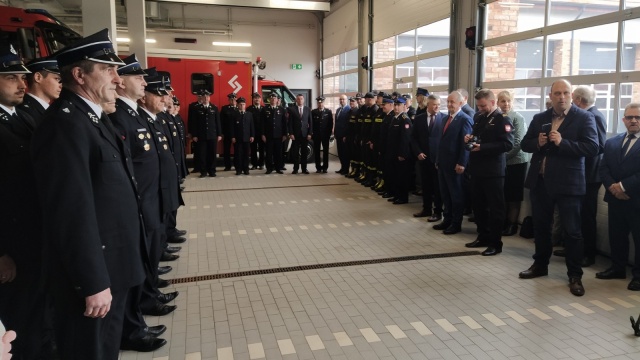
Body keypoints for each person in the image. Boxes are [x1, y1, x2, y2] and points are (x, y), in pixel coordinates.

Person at [31, 29, 147, 359]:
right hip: (94, 277)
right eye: (107, 70)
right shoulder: (65, 126)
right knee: (89, 350)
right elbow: (70, 212)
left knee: (105, 348)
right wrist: (92, 282)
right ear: (79, 75)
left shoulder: (91, 119)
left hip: (113, 267)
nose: (117, 78)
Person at [110, 57, 173, 352]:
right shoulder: (120, 117)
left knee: (143, 261)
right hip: (138, 204)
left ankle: (138, 318)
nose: (145, 82)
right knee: (132, 270)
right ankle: (133, 327)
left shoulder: (133, 115)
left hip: (148, 200)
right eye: (139, 78)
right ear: (122, 81)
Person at [518, 79, 598, 297]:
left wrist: (563, 143)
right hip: (541, 182)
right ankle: (540, 265)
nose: (561, 97)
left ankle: (575, 275)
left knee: (572, 232)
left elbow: (592, 147)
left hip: (569, 184)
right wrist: (539, 143)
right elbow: (525, 144)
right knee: (541, 227)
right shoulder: (539, 118)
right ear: (550, 95)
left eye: (565, 93)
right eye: (557, 93)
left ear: (571, 95)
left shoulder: (584, 117)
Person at [0, 41, 53, 360]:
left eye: (22, 77)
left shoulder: (18, 117)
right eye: (10, 77)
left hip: (32, 239)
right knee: (19, 319)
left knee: (37, 312)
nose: (22, 83)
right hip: (12, 247)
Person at [463, 89, 514, 256]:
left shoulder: (502, 120)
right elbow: (478, 137)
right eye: (478, 105)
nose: (480, 108)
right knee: (478, 207)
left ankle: (495, 243)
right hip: (477, 170)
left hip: (493, 172)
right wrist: (470, 139)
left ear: (493, 102)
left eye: (483, 105)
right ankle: (482, 236)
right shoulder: (479, 117)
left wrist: (483, 147)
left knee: (495, 209)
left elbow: (507, 145)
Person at [596, 103, 640, 290]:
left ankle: (638, 276)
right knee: (617, 235)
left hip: (637, 199)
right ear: (623, 120)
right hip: (615, 199)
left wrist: (622, 186)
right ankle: (617, 268)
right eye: (629, 117)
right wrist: (613, 188)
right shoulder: (612, 142)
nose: (633, 121)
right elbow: (603, 167)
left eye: (637, 117)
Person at [571, 85, 606, 267]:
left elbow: (599, 146)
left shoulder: (594, 116)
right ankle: (577, 248)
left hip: (591, 175)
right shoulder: (590, 114)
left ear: (577, 100)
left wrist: (575, 147)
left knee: (587, 215)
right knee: (578, 214)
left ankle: (588, 253)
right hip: (583, 173)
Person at [433, 91, 473, 235]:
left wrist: (462, 162)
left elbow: (465, 145)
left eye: (452, 102)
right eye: (448, 102)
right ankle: (447, 220)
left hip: (455, 165)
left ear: (461, 103)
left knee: (456, 195)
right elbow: (441, 142)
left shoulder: (465, 119)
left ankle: (456, 223)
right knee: (445, 194)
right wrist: (438, 159)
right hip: (443, 164)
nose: (449, 104)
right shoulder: (445, 118)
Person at [496, 91, 529, 236]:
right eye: (503, 101)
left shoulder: (517, 118)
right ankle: (503, 222)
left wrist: (503, 158)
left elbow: (518, 143)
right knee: (503, 194)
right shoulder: (497, 118)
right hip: (503, 162)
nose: (506, 104)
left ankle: (512, 224)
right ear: (497, 103)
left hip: (516, 161)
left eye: (508, 101)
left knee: (514, 195)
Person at [412, 94, 445, 221]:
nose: (437, 107)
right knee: (426, 185)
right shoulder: (419, 119)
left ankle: (437, 211)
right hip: (423, 158)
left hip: (437, 159)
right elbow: (413, 138)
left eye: (438, 105)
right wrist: (418, 152)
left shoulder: (443, 118)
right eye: (434, 104)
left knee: (437, 187)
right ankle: (426, 209)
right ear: (429, 105)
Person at [385, 97, 413, 204]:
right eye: (395, 105)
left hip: (401, 154)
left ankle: (403, 197)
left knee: (402, 176)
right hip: (393, 152)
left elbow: (406, 139)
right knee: (395, 175)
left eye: (399, 105)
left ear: (404, 106)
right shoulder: (395, 118)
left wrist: (403, 154)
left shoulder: (405, 119)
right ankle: (396, 195)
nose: (396, 107)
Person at [188, 90, 221, 178]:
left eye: (207, 97)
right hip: (201, 135)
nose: (206, 98)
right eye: (204, 97)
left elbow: (217, 122)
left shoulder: (214, 108)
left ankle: (212, 171)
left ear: (209, 98)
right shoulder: (196, 108)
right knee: (202, 154)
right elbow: (194, 123)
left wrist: (219, 134)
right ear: (201, 98)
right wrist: (194, 135)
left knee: (212, 154)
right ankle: (203, 171)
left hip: (212, 135)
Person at [19, 56, 61, 124]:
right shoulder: (25, 112)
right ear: (38, 77)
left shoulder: (49, 109)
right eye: (57, 79)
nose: (61, 85)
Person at [262, 93, 287, 174]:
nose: (273, 100)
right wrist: (263, 134)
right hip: (268, 135)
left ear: (277, 100)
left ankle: (278, 168)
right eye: (271, 98)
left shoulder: (282, 109)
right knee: (269, 153)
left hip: (279, 135)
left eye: (274, 98)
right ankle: (269, 168)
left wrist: (285, 134)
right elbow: (262, 123)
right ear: (269, 99)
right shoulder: (265, 109)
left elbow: (284, 123)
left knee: (278, 153)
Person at [287, 93, 312, 174]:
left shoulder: (308, 109)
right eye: (298, 99)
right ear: (296, 100)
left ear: (303, 100)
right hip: (295, 135)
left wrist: (310, 133)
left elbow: (310, 123)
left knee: (304, 152)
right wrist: (291, 133)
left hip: (305, 135)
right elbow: (290, 123)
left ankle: (304, 169)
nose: (300, 100)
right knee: (295, 152)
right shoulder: (292, 109)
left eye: (301, 99)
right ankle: (296, 169)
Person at [231, 97, 254, 175]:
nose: (242, 106)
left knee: (246, 154)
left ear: (245, 105)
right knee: (238, 154)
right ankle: (238, 169)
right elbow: (232, 127)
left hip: (247, 138)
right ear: (237, 105)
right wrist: (233, 136)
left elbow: (252, 126)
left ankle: (246, 169)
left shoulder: (249, 114)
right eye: (240, 104)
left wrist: (252, 135)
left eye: (243, 104)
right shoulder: (234, 114)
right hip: (238, 138)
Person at [311, 96, 333, 173]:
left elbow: (330, 124)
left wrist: (329, 134)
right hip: (316, 135)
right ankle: (318, 167)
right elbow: (311, 124)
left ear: (324, 103)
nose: (320, 104)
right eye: (319, 103)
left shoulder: (328, 112)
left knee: (325, 152)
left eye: (322, 102)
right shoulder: (313, 112)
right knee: (316, 151)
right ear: (317, 103)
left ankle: (325, 167)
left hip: (325, 135)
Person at [220, 93, 238, 170]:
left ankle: (237, 165)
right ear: (228, 100)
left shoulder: (239, 108)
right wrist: (221, 133)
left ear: (236, 100)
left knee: (237, 150)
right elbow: (221, 121)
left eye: (234, 99)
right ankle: (227, 166)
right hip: (226, 133)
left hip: (237, 133)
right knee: (226, 151)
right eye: (231, 99)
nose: (232, 100)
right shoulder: (224, 109)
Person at [333, 94, 351, 174]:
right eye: (340, 99)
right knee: (340, 152)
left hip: (344, 136)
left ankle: (346, 169)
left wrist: (346, 135)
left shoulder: (349, 110)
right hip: (338, 134)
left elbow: (348, 124)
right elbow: (337, 122)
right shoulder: (338, 110)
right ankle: (342, 167)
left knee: (345, 153)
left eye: (343, 99)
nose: (341, 101)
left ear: (346, 100)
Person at [247, 92, 265, 170]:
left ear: (260, 99)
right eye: (255, 98)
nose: (257, 99)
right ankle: (254, 164)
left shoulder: (264, 109)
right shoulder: (249, 109)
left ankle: (261, 164)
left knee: (262, 149)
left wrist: (264, 133)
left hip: (261, 133)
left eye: (258, 98)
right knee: (253, 149)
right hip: (253, 133)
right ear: (253, 99)